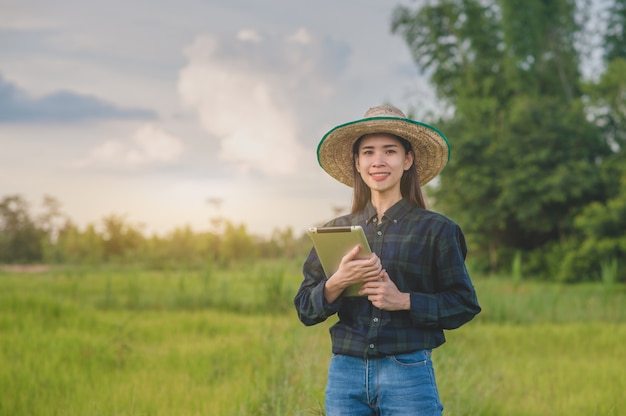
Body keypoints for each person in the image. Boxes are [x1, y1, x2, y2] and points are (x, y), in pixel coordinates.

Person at [294, 105, 481, 415]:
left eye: (390, 151)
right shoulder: (334, 232)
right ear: (357, 162)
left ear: (407, 160)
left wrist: (404, 300)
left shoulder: (437, 230)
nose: (378, 161)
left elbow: (463, 304)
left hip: (408, 372)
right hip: (345, 374)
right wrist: (337, 282)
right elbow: (305, 308)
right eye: (368, 152)